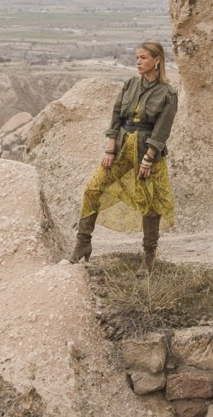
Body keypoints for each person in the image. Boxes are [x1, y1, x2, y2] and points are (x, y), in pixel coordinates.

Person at [70, 40, 177, 272]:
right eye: (137, 57)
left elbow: (162, 130)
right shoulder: (130, 84)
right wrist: (110, 148)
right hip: (121, 146)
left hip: (146, 151)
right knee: (93, 189)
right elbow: (116, 115)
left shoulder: (167, 93)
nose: (138, 62)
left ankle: (148, 257)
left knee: (149, 202)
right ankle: (83, 244)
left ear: (157, 60)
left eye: (143, 58)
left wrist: (148, 159)